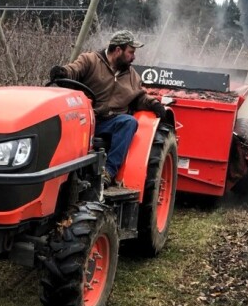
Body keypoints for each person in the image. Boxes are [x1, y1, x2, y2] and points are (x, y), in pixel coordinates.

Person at [49, 30, 167, 188]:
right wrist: (62, 72)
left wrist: (154, 104)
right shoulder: (90, 60)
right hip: (86, 118)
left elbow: (139, 97)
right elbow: (73, 70)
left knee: (129, 122)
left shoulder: (132, 76)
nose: (134, 57)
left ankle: (108, 172)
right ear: (118, 50)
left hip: (111, 122)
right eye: (131, 52)